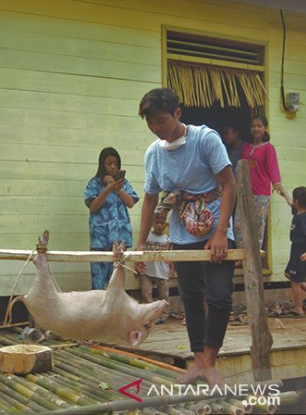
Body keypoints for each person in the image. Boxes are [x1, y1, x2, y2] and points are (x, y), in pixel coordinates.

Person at [136, 87, 236, 387]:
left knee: (219, 297)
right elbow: (151, 199)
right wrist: (141, 243)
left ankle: (211, 361)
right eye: (151, 123)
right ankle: (199, 363)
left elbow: (229, 186)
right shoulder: (154, 154)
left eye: (162, 120)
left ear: (178, 114)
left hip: (216, 228)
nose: (157, 128)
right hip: (182, 231)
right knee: (191, 298)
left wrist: (220, 233)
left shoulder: (205, 140)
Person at [84, 147, 139, 289]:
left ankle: (115, 310)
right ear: (102, 164)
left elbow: (130, 203)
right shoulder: (94, 183)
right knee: (99, 279)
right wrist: (108, 188)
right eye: (109, 163)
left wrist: (117, 188)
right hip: (100, 239)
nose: (113, 167)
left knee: (117, 279)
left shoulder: (123, 183)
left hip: (119, 240)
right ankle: (98, 309)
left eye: (116, 164)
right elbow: (93, 206)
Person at [235, 116, 288, 250]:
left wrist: (277, 183)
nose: (256, 129)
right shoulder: (245, 148)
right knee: (239, 224)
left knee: (258, 225)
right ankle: (241, 255)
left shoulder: (268, 148)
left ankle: (255, 255)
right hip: (244, 192)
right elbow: (239, 168)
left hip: (261, 193)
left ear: (265, 128)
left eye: (259, 126)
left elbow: (273, 167)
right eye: (253, 126)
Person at [284, 187, 306, 316]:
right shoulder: (299, 213)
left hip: (301, 251)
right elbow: (291, 205)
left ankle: (298, 308)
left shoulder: (302, 218)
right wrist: (284, 194)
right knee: (289, 274)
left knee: (294, 280)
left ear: (297, 201)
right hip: (296, 249)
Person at [137, 212, 172, 322]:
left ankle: (163, 315)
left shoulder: (167, 239)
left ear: (165, 225)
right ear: (152, 224)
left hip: (162, 271)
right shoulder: (146, 237)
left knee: (164, 295)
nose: (159, 225)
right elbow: (138, 251)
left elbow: (171, 256)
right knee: (146, 294)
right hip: (147, 271)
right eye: (157, 223)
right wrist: (136, 265)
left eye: (162, 223)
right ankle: (150, 316)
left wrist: (172, 270)